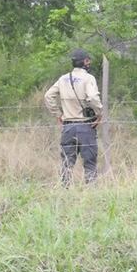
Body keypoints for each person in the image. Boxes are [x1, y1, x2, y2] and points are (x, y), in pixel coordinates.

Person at [44, 49, 103, 184]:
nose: (89, 63)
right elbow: (93, 97)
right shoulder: (88, 78)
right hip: (86, 126)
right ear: (84, 61)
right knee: (89, 162)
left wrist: (58, 114)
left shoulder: (63, 78)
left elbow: (48, 96)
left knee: (66, 162)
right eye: (88, 60)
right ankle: (91, 190)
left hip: (68, 126)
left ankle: (64, 190)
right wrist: (99, 113)